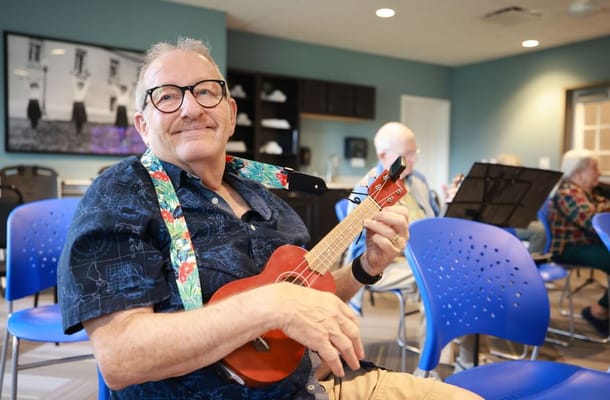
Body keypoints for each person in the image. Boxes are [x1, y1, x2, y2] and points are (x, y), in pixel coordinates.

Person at [57, 38, 480, 400]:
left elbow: (308, 296)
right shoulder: (122, 194)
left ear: (229, 112)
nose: (189, 107)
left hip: (316, 386)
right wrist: (267, 307)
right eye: (167, 96)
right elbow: (119, 357)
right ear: (142, 125)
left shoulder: (263, 196)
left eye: (206, 92)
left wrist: (365, 268)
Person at [343, 122, 440, 315]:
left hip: (427, 256)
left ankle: (465, 344)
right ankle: (436, 345)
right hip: (388, 264)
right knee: (434, 280)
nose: (414, 159)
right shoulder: (365, 190)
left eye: (415, 152)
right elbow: (360, 252)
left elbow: (437, 223)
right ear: (383, 155)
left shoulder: (419, 180)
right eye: (407, 154)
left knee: (467, 271)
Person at [548, 148, 610, 336]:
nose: (599, 173)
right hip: (571, 248)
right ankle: (599, 311)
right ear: (578, 172)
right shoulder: (568, 193)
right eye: (594, 169)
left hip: (589, 244)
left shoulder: (589, 192)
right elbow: (593, 222)